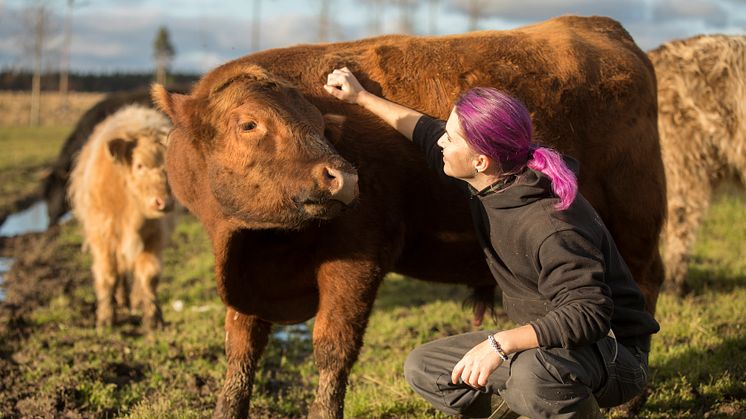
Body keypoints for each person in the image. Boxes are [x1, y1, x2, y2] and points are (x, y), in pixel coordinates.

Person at [323, 67, 660, 418]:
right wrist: (359, 96)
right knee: (427, 368)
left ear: (480, 161)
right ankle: (533, 406)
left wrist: (501, 344)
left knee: (534, 378)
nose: (441, 141)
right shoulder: (495, 177)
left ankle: (552, 403)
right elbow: (425, 131)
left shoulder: (551, 225)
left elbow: (589, 312)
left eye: (451, 139)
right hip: (545, 344)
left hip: (612, 351)